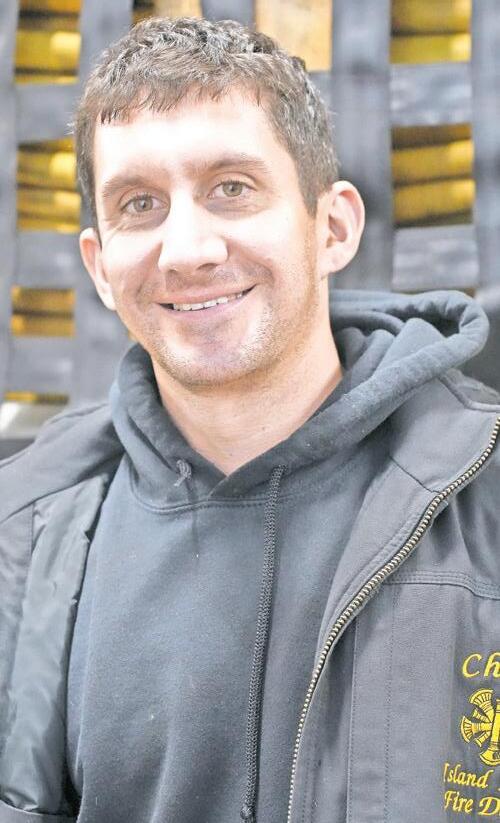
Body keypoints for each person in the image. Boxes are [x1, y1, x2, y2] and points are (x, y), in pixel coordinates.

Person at [1, 16, 499, 823]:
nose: (187, 249)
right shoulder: (21, 537)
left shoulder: (483, 499)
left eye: (231, 187)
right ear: (99, 266)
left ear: (332, 227)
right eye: (139, 204)